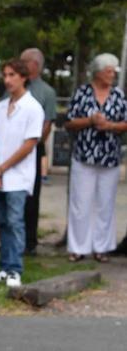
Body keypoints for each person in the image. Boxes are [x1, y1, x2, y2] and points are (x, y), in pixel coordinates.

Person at [0, 58, 44, 287]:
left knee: (15, 221)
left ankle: (15, 268)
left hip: (18, 177)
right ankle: (5, 267)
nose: (7, 80)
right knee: (3, 222)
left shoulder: (33, 107)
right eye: (5, 75)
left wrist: (1, 168)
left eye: (12, 75)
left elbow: (29, 146)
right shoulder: (0, 107)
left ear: (23, 77)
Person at [65, 53, 127, 262]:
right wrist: (90, 120)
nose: (112, 75)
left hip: (109, 157)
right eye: (109, 71)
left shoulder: (118, 95)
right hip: (84, 154)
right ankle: (78, 247)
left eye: (113, 72)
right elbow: (69, 122)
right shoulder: (82, 93)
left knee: (105, 203)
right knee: (81, 203)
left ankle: (102, 247)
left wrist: (110, 126)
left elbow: (125, 123)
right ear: (99, 72)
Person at [19, 48, 57, 253]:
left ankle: (30, 242)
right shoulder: (15, 85)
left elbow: (48, 124)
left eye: (24, 61)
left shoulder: (47, 92)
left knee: (31, 196)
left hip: (33, 149)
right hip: (13, 149)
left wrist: (31, 143)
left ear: (35, 64)